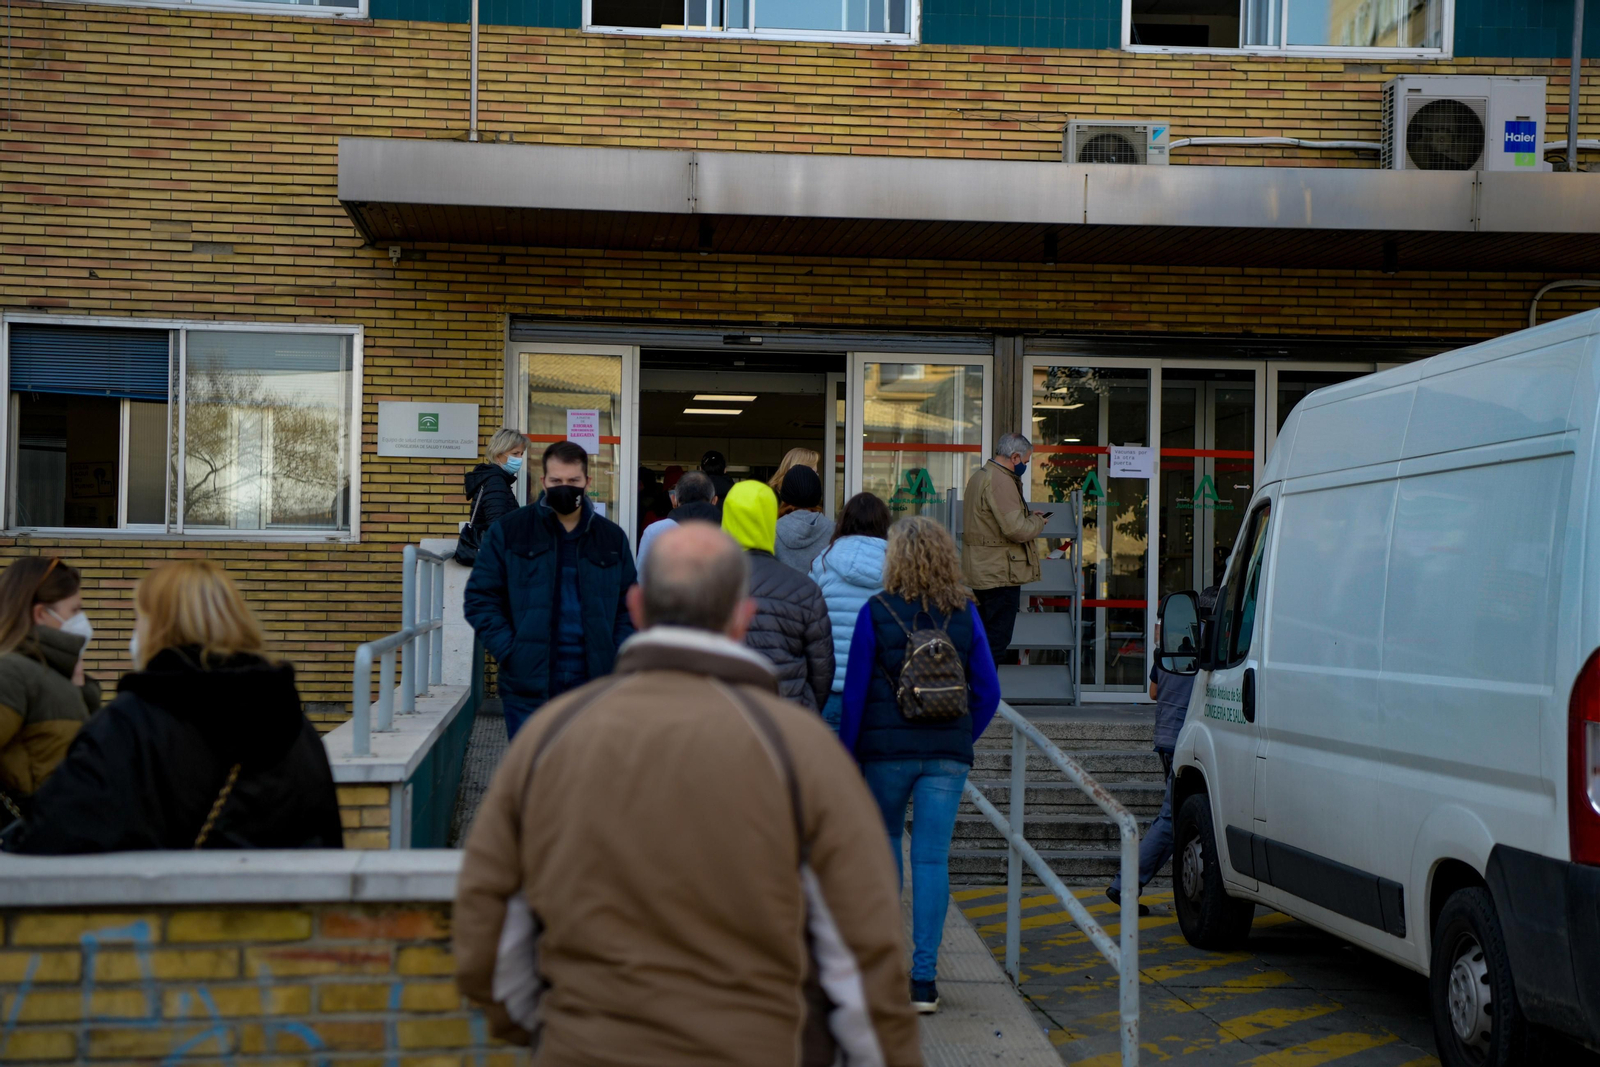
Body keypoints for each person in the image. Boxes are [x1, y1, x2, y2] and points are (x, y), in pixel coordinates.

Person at [453, 523, 921, 1067]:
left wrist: (557, 1027)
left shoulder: (551, 738)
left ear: (637, 605)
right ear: (742, 617)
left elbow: (489, 948)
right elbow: (862, 971)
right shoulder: (803, 754)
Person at [5, 560, 342, 853]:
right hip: (285, 919)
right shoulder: (293, 723)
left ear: (161, 627)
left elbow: (56, 836)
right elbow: (325, 837)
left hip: (167, 921)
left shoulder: (130, 724)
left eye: (141, 618)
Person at [839, 516, 1001, 1015]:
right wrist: (958, 738)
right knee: (931, 860)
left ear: (895, 559)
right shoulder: (965, 612)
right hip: (945, 757)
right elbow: (990, 692)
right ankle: (924, 983)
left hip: (885, 756)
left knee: (886, 845)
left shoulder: (876, 611)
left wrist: (847, 757)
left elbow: (856, 694)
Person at [464, 441, 637, 740]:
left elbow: (630, 605)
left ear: (587, 483)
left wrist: (615, 652)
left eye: (573, 481)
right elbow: (481, 598)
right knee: (532, 778)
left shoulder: (611, 538)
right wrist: (510, 650)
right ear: (543, 482)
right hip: (528, 685)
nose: (565, 488)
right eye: (556, 481)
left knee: (585, 778)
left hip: (594, 684)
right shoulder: (510, 531)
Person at [1107, 586, 1219, 917]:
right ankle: (1124, 885)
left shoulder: (1175, 647)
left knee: (1176, 817)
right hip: (1186, 744)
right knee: (1171, 821)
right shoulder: (1208, 653)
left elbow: (1154, 691)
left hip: (1165, 739)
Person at [0, 557, 101, 824]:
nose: (82, 621)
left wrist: (80, 689)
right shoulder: (11, 673)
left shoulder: (54, 673)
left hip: (58, 840)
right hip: (25, 849)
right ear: (41, 614)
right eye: (74, 610)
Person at [720, 480, 833, 712]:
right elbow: (822, 670)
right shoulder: (804, 589)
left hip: (719, 724)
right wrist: (803, 712)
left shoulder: (702, 585)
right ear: (771, 519)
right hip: (786, 723)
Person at [961, 431, 1048, 668]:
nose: (1026, 467)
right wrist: (1037, 523)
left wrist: (1028, 516)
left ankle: (977, 695)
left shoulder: (981, 476)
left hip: (982, 570)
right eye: (1027, 462)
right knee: (996, 642)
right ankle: (984, 698)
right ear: (1016, 457)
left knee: (981, 639)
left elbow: (991, 522)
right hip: (1000, 574)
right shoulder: (1001, 480)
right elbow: (1016, 529)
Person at [808, 493, 890, 733]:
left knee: (830, 768)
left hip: (831, 689)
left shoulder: (822, 563)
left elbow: (809, 621)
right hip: (879, 691)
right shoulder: (898, 569)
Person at [636, 470, 719, 574]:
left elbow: (642, 580)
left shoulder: (654, 532)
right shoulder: (727, 532)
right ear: (714, 501)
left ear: (674, 500)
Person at [462, 428, 525, 540]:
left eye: (521, 454)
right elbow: (497, 526)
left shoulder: (495, 479)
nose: (520, 458)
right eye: (515, 454)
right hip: (494, 553)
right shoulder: (495, 481)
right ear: (497, 455)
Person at [774, 465, 834, 574]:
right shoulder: (834, 531)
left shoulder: (771, 531)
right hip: (821, 591)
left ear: (785, 494)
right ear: (817, 494)